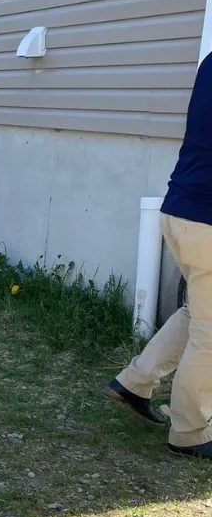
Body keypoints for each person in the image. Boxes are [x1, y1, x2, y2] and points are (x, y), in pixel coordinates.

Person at [106, 51, 212, 458]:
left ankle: (134, 382)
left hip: (180, 209)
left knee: (197, 315)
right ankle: (191, 432)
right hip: (207, 218)